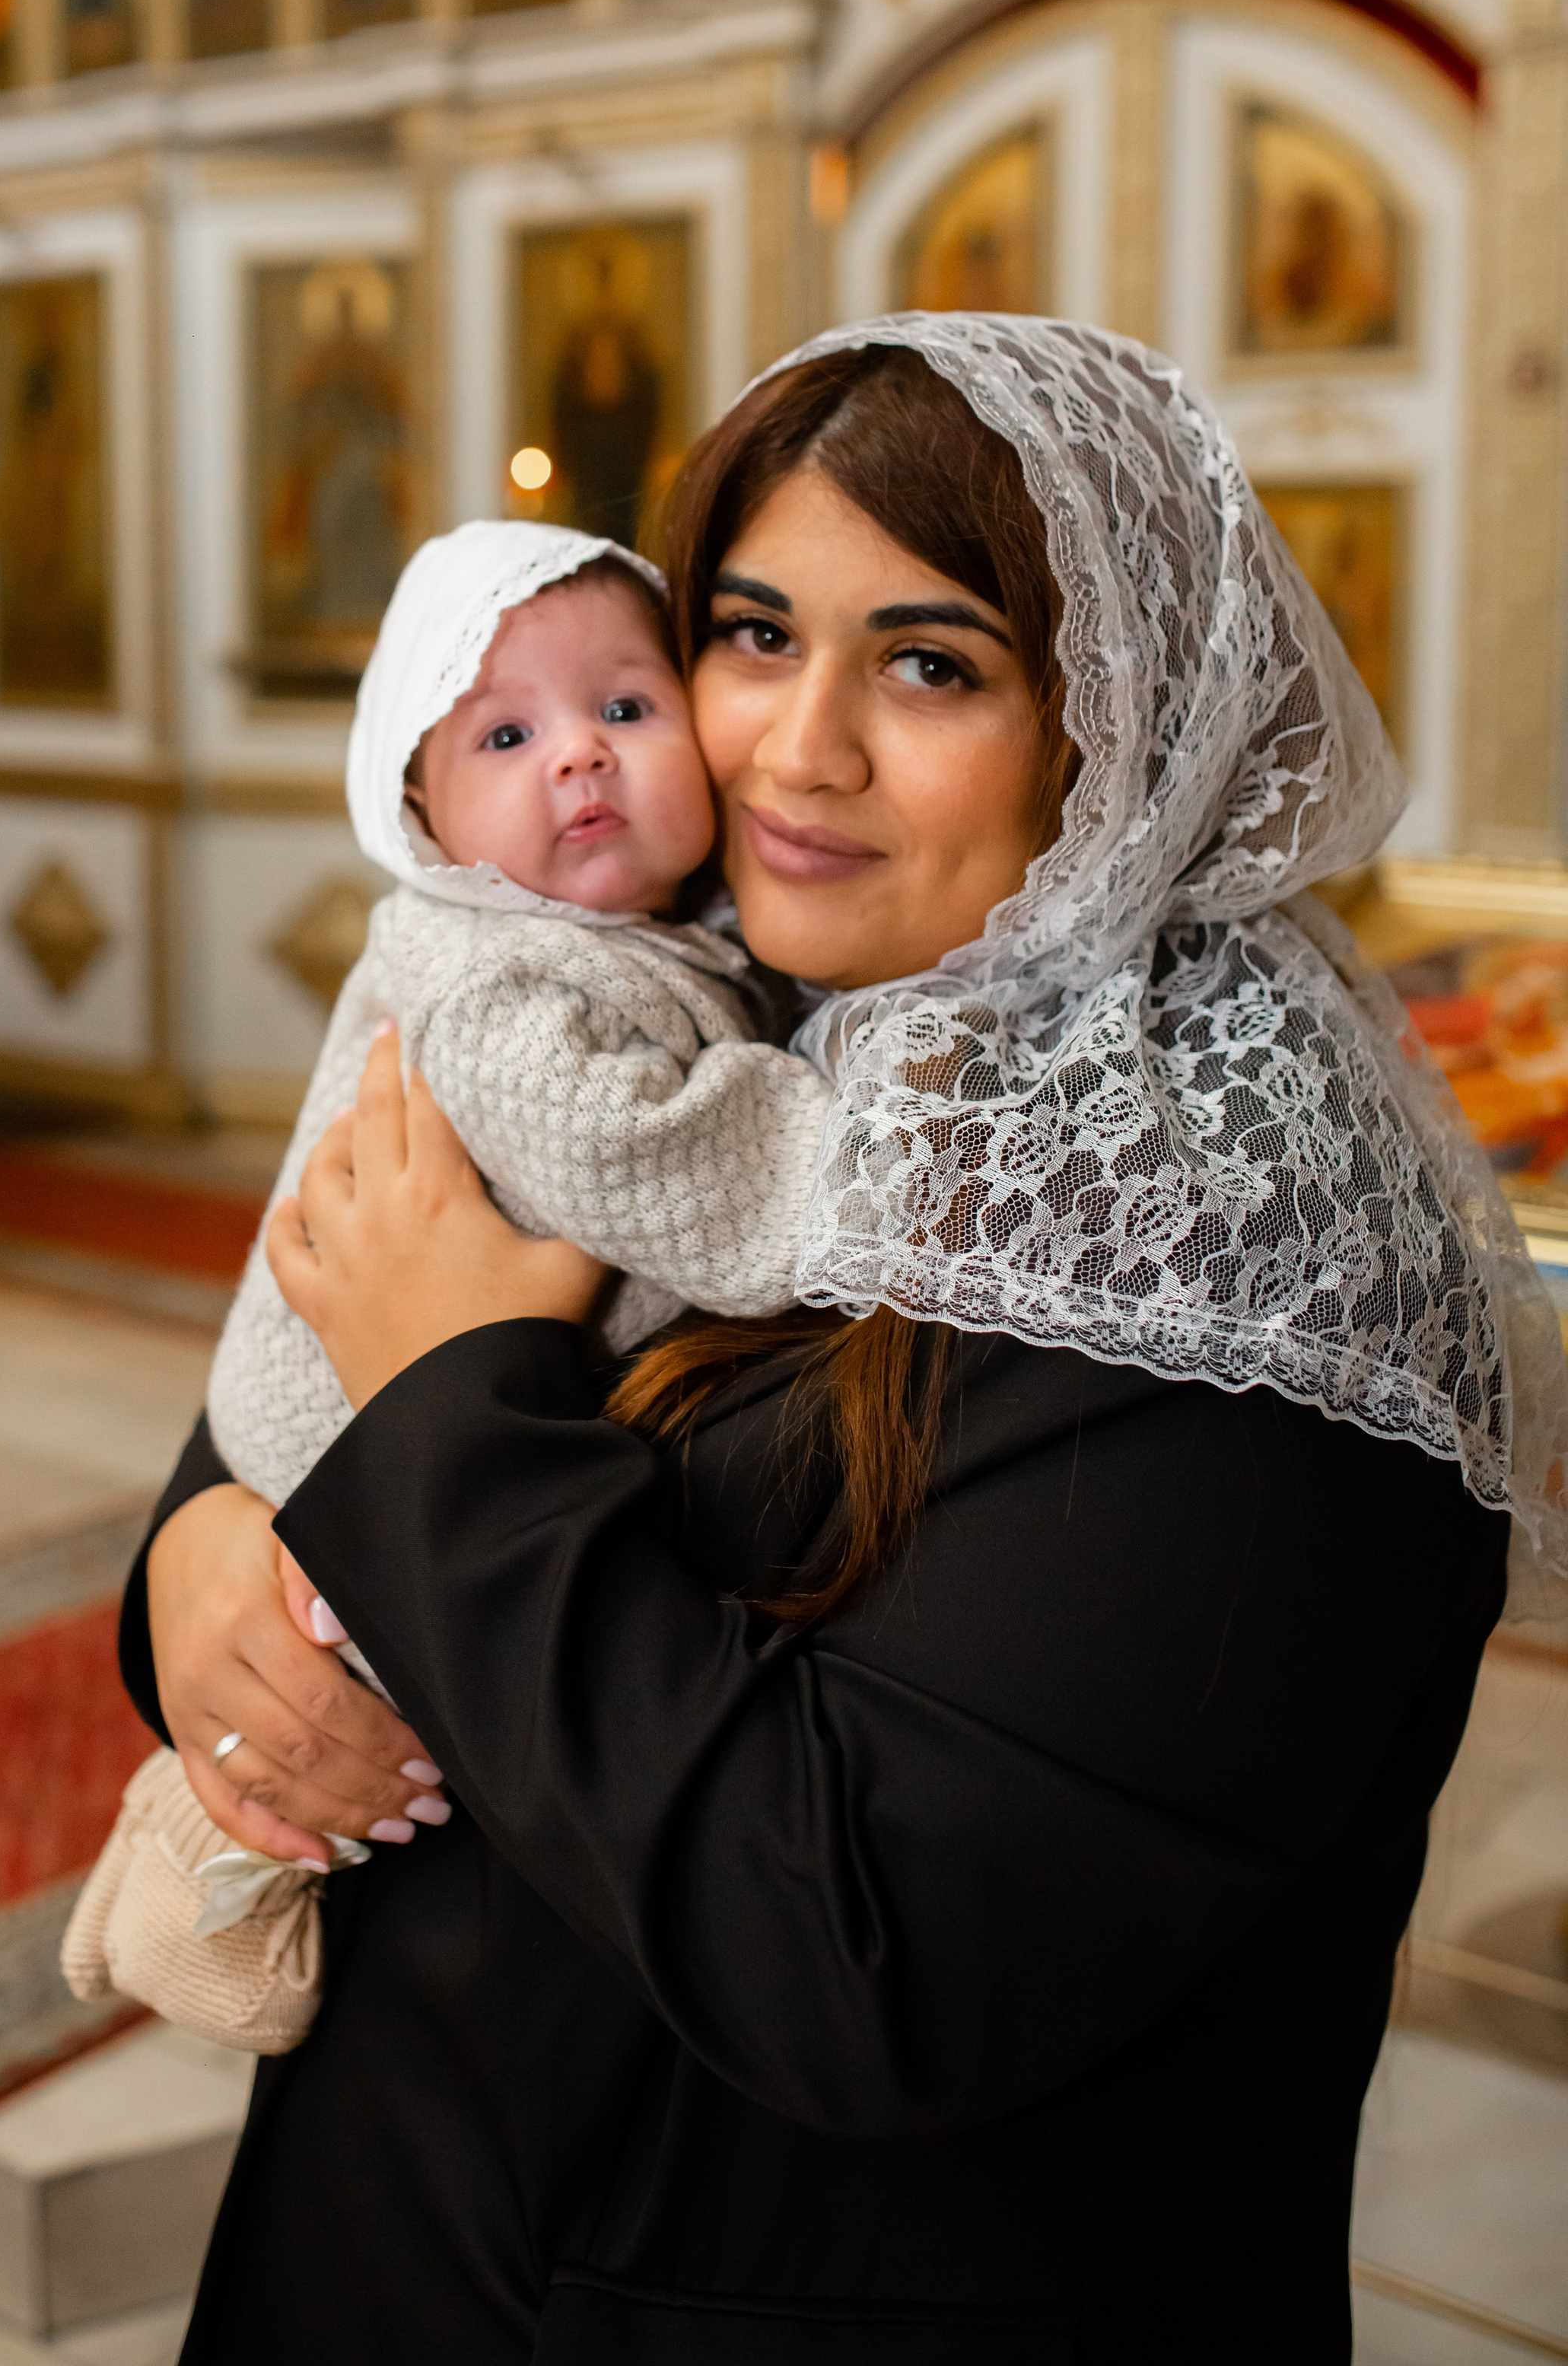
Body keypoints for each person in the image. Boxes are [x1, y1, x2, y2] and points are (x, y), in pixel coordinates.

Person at [123, 316, 1568, 2364]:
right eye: (747, 634)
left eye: (932, 663)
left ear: (1122, 724)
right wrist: (188, 1577)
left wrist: (444, 1407)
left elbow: (861, 1959)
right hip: (434, 2224)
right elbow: (315, 1343)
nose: (797, 750)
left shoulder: (1244, 1255)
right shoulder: (744, 994)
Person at [211, 512, 828, 1532]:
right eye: (507, 736)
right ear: (423, 813)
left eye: (627, 707)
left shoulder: (668, 932)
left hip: (476, 1424)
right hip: (350, 1454)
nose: (581, 752)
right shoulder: (486, 978)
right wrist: (855, 1135)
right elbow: (633, 1151)